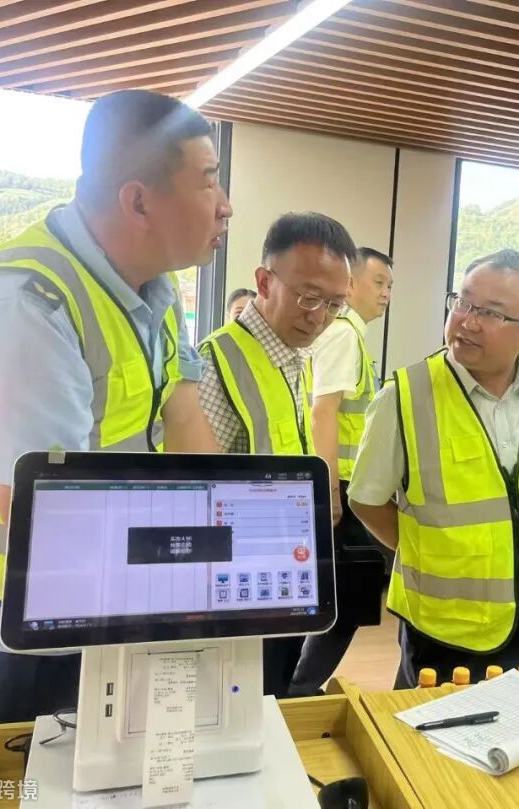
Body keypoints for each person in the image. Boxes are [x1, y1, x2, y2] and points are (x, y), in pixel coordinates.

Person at [0, 89, 228, 724]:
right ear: (138, 202)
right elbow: (43, 518)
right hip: (8, 622)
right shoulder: (28, 310)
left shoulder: (154, 288)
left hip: (99, 592)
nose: (226, 205)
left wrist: (222, 548)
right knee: (24, 771)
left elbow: (184, 419)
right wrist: (184, 565)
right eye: (208, 181)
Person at [349, 249, 519, 688]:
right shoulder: (407, 395)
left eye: (492, 313)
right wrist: (428, 552)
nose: (467, 321)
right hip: (446, 631)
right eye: (463, 302)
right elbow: (366, 500)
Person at [198, 211, 355, 698]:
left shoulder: (293, 359)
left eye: (334, 304)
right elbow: (196, 493)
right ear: (265, 282)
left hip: (282, 580)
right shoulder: (217, 362)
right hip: (236, 597)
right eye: (309, 297)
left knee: (274, 698)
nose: (319, 316)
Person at [288, 247, 393, 697]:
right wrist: (329, 490)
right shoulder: (344, 333)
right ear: (350, 284)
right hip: (340, 490)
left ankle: (298, 688)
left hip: (343, 487)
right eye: (379, 282)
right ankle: (298, 690)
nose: (386, 293)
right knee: (345, 602)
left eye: (390, 286)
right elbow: (322, 412)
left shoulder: (352, 335)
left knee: (340, 600)